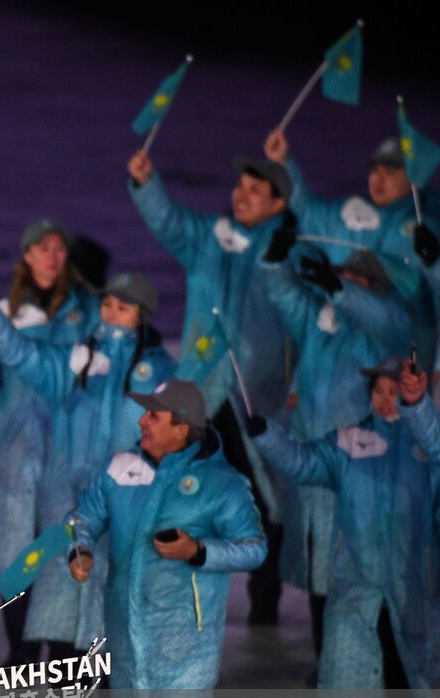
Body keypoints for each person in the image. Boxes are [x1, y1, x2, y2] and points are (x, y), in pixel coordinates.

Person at [66, 380, 266, 698]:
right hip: (127, 632)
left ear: (182, 428)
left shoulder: (222, 484)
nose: (141, 422)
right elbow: (83, 517)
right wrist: (82, 548)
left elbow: (254, 547)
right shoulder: (121, 468)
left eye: (153, 416)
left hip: (186, 636)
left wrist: (197, 552)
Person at [0, 268, 174, 657]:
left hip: (123, 501)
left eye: (123, 307)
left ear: (142, 315)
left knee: (113, 601)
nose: (110, 313)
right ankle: (67, 695)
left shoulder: (158, 371)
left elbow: (174, 433)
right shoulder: (76, 361)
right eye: (107, 304)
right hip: (65, 500)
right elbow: (22, 354)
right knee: (61, 599)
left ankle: (112, 694)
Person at [250, 359, 440, 698]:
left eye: (395, 391)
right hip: (358, 576)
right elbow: (303, 462)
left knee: (399, 662)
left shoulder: (427, 444)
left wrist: (420, 408)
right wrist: (267, 437)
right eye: (379, 391)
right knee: (354, 658)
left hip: (409, 574)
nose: (386, 399)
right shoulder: (349, 441)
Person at [128, 147, 294, 625]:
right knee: (179, 488)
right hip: (202, 392)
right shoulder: (208, 237)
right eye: (240, 186)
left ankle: (266, 602)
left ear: (277, 204)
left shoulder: (286, 249)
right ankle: (173, 603)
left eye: (255, 191)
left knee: (265, 499)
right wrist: (146, 183)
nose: (241, 195)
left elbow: (305, 322)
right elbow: (170, 223)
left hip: (257, 394)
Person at [257, 239, 413, 677]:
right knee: (320, 568)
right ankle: (329, 662)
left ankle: (379, 666)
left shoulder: (387, 330)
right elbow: (287, 296)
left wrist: (342, 291)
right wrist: (274, 260)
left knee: (360, 571)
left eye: (356, 279)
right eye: (342, 278)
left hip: (363, 467)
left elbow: (383, 316)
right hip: (316, 460)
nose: (344, 285)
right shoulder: (320, 325)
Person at [0, 219, 99, 665]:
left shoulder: (88, 309)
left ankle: (65, 650)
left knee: (62, 548)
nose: (52, 255)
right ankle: (24, 650)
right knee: (17, 553)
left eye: (59, 247)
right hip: (14, 449)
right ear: (27, 256)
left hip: (69, 445)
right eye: (42, 247)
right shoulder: (2, 311)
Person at [265, 129, 440, 388]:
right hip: (344, 351)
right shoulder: (350, 216)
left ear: (415, 179)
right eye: (375, 170)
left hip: (400, 360)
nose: (378, 179)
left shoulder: (426, 231)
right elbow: (305, 209)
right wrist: (283, 161)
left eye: (390, 172)